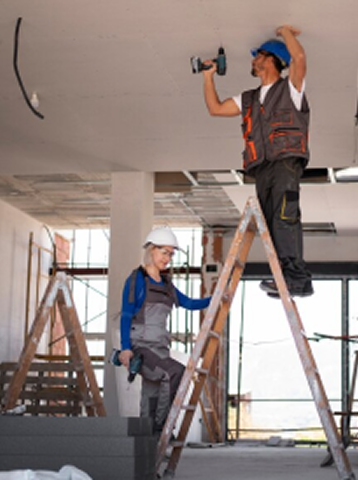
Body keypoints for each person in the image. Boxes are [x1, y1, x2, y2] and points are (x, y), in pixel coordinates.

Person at [202, 25, 313, 298]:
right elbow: (215, 109)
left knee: (284, 218)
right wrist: (208, 77)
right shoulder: (248, 99)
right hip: (261, 168)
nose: (253, 60)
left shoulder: (292, 89)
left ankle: (296, 278)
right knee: (271, 226)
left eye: (258, 55)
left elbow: (299, 59)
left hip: (286, 162)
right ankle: (286, 277)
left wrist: (286, 33)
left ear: (272, 59)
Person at [118, 226, 211, 432]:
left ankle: (148, 444)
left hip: (160, 348)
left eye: (171, 254)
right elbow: (126, 315)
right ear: (151, 249)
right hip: (141, 347)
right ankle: (163, 428)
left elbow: (189, 303)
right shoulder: (137, 280)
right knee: (175, 372)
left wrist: (215, 300)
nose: (168, 258)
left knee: (150, 397)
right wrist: (126, 348)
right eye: (164, 252)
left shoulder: (167, 284)